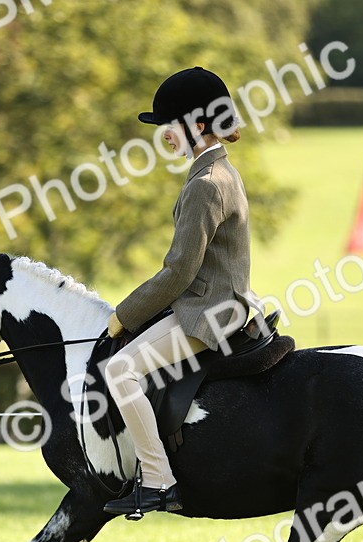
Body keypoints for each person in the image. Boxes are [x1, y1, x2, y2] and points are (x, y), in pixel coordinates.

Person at [102, 66, 263, 518]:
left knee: (120, 371)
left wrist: (123, 316)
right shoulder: (217, 173)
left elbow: (177, 273)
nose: (165, 136)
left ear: (196, 124)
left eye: (169, 125)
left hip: (209, 312)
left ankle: (157, 480)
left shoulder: (207, 185)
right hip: (217, 302)